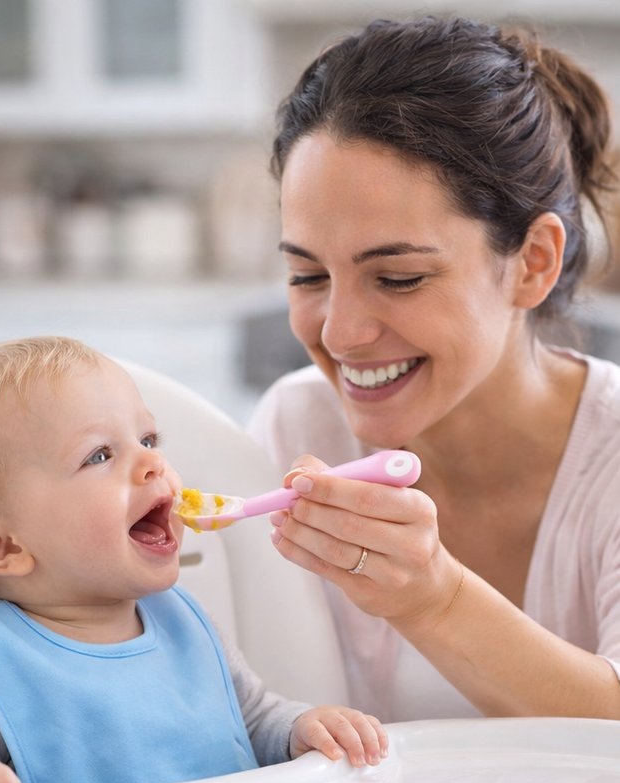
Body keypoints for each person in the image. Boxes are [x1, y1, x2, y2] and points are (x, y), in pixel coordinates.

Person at [253, 16, 620, 723]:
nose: (338, 333)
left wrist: (434, 600)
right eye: (307, 276)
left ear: (532, 262)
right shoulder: (296, 426)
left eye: (398, 278)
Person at [0, 336, 387, 783]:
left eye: (149, 440)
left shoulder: (186, 623)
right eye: (99, 456)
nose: (154, 463)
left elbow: (253, 719)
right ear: (1, 546)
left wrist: (299, 729)